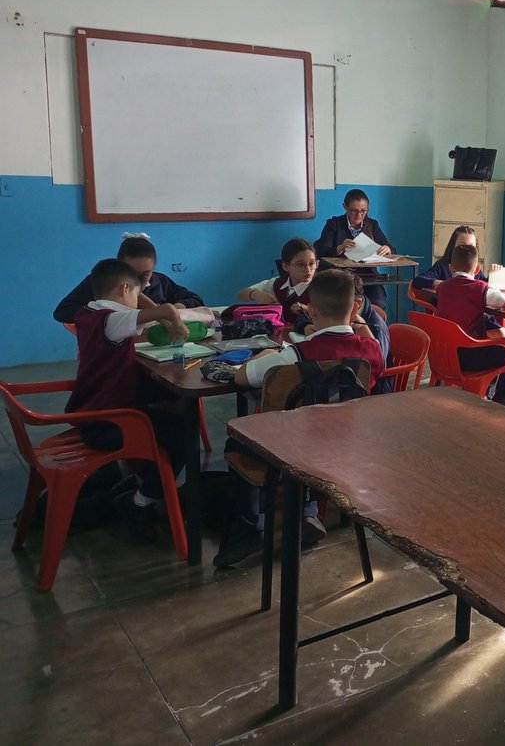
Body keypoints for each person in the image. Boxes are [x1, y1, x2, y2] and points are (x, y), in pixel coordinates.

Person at [216, 270, 385, 567]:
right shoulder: (370, 350)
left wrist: (261, 357)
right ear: (356, 307)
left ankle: (249, 528)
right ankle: (306, 511)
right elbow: (378, 360)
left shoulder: (293, 354)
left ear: (312, 310)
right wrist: (360, 325)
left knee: (237, 439)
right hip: (351, 447)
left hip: (293, 452)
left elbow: (242, 378)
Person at [66, 258, 191, 541]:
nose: (138, 300)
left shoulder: (89, 312)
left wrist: (140, 295)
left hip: (93, 412)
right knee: (184, 436)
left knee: (172, 419)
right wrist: (175, 324)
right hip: (106, 422)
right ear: (124, 288)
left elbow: (142, 307)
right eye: (135, 293)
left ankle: (138, 482)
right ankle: (140, 501)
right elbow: (167, 308)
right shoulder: (114, 319)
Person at [435, 242, 505, 406]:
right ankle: (495, 405)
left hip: (445, 355)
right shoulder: (480, 288)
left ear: (450, 268)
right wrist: (504, 294)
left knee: (500, 349)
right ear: (477, 270)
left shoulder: (442, 288)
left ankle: (487, 396)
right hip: (471, 356)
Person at [54, 235, 203, 324]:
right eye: (131, 273)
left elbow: (194, 299)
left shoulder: (161, 282)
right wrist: (101, 311)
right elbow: (62, 313)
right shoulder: (100, 281)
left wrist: (176, 307)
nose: (136, 281)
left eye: (145, 274)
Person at [294, 274, 392, 393]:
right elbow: (375, 355)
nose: (330, 308)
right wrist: (306, 326)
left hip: (370, 396)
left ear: (357, 304)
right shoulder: (339, 313)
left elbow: (379, 367)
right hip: (354, 400)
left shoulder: (376, 328)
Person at [314, 189, 393, 312]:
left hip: (367, 275)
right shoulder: (334, 224)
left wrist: (387, 249)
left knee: (378, 303)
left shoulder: (372, 224)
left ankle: (373, 329)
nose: (359, 215)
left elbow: (391, 248)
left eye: (363, 211)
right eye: (354, 211)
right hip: (341, 275)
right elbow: (321, 251)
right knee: (345, 305)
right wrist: (339, 248)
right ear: (345, 207)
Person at [412, 225, 501, 303]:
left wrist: (492, 276)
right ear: (453, 246)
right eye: (462, 245)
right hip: (447, 316)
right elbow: (417, 281)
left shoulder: (473, 267)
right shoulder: (443, 265)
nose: (466, 250)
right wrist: (442, 283)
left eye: (471, 246)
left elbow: (483, 286)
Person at [236, 237, 317, 320]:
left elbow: (330, 316)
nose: (308, 269)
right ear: (285, 266)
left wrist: (307, 309)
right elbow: (241, 294)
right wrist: (257, 295)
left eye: (311, 263)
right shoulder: (278, 283)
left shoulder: (320, 287)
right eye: (300, 265)